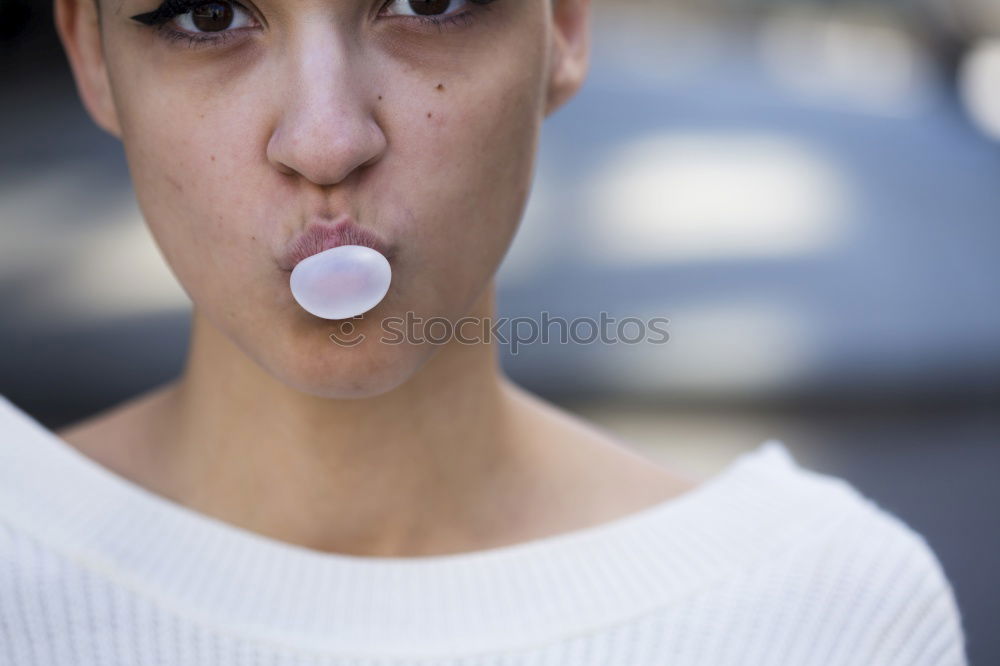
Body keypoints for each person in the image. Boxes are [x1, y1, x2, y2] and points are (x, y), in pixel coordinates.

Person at [0, 0, 966, 663]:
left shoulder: (828, 612)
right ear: (92, 54)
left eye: (429, 1)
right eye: (207, 13)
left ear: (566, 26)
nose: (328, 140)